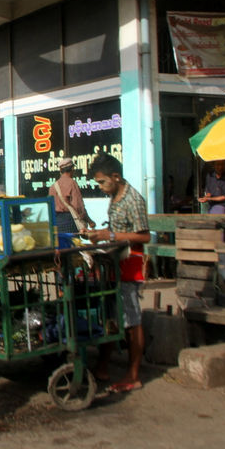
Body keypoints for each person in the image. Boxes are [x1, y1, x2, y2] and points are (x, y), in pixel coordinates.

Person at [85, 153, 150, 394]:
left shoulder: (134, 200)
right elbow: (116, 230)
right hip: (114, 263)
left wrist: (110, 236)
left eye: (102, 182)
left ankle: (133, 375)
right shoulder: (114, 197)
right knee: (111, 317)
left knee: (132, 320)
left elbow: (144, 236)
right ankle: (102, 366)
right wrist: (100, 234)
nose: (101, 187)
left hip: (130, 265)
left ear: (116, 177)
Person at [49, 156, 95, 233]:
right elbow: (78, 207)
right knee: (72, 243)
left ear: (60, 170)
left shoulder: (53, 186)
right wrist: (89, 221)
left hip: (56, 222)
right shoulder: (72, 183)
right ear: (72, 169)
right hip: (69, 221)